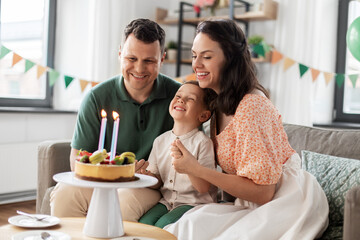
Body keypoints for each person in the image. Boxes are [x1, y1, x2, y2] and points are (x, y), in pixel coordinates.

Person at [164, 19, 329, 239]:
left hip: (287, 200)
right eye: (195, 55)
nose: (196, 64)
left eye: (207, 56)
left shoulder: (252, 105)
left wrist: (197, 169)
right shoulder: (217, 103)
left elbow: (263, 192)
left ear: (230, 60)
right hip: (251, 201)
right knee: (188, 225)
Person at [50, 18, 181, 221]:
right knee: (65, 193)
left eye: (149, 61)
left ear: (162, 59)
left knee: (124, 200)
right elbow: (76, 162)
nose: (139, 69)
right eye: (131, 58)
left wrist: (151, 177)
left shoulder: (179, 98)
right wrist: (114, 171)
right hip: (101, 180)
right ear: (120, 54)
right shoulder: (96, 97)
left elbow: (182, 167)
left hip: (149, 186)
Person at [137, 81, 218, 228]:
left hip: (193, 204)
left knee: (163, 225)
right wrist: (146, 176)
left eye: (190, 99)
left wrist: (188, 166)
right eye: (178, 96)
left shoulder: (203, 143)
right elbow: (158, 182)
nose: (181, 100)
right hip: (166, 202)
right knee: (144, 224)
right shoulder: (160, 141)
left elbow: (204, 188)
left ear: (203, 115)